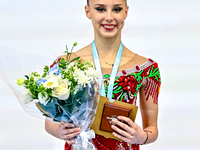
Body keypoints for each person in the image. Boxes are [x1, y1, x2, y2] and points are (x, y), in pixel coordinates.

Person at [45, 0, 161, 149]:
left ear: (126, 12)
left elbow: (152, 127)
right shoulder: (65, 64)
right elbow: (49, 121)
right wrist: (59, 131)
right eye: (100, 9)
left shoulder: (146, 69)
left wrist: (142, 136)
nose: (109, 17)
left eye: (117, 9)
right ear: (88, 11)